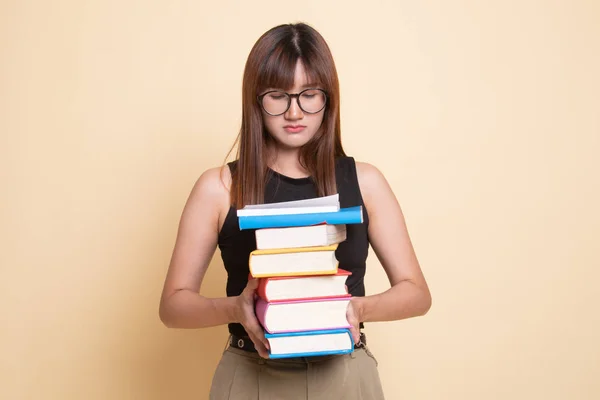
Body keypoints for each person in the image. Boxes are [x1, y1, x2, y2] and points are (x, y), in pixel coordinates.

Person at [159, 22, 432, 400]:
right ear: (256, 99)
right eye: (278, 96)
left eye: (309, 95)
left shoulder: (365, 182)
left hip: (344, 375)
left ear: (328, 98)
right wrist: (236, 309)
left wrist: (356, 307)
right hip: (251, 373)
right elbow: (173, 306)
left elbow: (417, 293)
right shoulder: (219, 188)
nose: (294, 112)